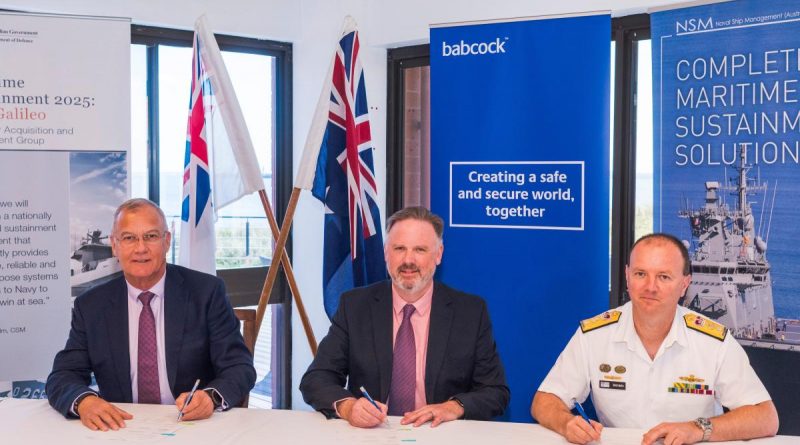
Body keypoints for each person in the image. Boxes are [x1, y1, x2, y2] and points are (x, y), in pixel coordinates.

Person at [531, 233, 779, 445]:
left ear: (684, 284)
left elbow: (765, 417)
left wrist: (697, 429)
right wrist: (566, 423)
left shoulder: (713, 341)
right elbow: (544, 400)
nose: (650, 287)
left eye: (664, 277)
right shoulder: (594, 335)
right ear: (627, 277)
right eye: (640, 274)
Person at [46, 198, 256, 431]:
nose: (140, 248)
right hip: (122, 427)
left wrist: (210, 398)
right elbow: (63, 374)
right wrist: (85, 402)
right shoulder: (92, 305)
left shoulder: (206, 292)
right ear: (114, 246)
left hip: (193, 427)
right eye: (129, 238)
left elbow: (239, 367)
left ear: (166, 241)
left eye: (151, 236)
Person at [300, 206, 509, 428]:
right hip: (373, 435)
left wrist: (453, 407)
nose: (408, 260)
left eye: (420, 249)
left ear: (438, 254)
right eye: (399, 248)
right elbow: (317, 378)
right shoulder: (354, 306)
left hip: (440, 435)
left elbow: (495, 392)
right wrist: (349, 406)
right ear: (385, 253)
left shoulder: (470, 312)